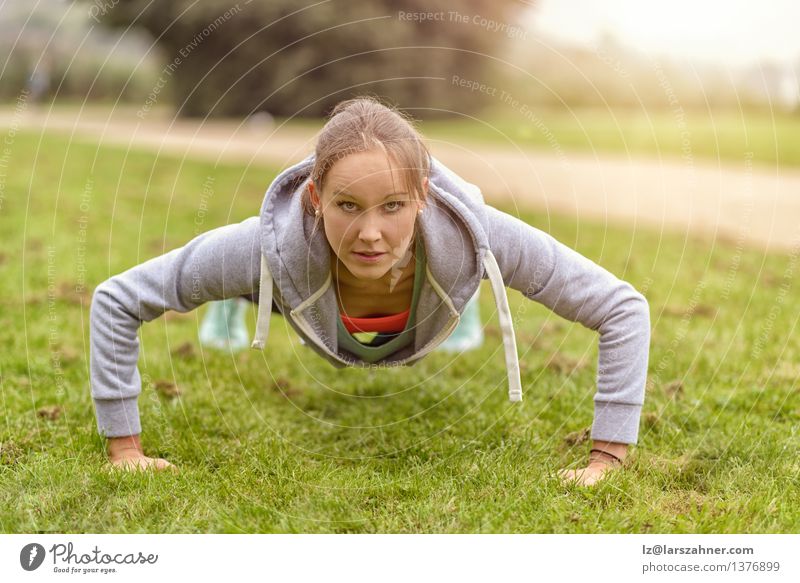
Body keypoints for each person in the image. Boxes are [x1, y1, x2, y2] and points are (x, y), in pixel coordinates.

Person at [90, 96, 650, 487]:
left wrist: (606, 459)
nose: (370, 232)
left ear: (423, 197)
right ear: (315, 198)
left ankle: (463, 299)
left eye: (394, 206)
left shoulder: (477, 235)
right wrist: (125, 450)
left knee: (465, 266)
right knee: (250, 279)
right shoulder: (267, 247)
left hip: (436, 283)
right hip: (297, 289)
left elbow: (622, 308)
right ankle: (233, 310)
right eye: (348, 206)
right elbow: (117, 299)